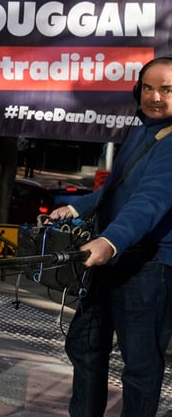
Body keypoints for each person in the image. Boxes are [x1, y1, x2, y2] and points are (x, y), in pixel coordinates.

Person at [48, 57, 172, 417]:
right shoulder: (143, 129)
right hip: (111, 259)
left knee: (139, 367)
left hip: (148, 268)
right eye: (148, 88)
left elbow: (150, 200)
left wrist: (109, 241)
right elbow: (118, 189)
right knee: (85, 346)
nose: (155, 97)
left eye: (167, 89)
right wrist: (77, 207)